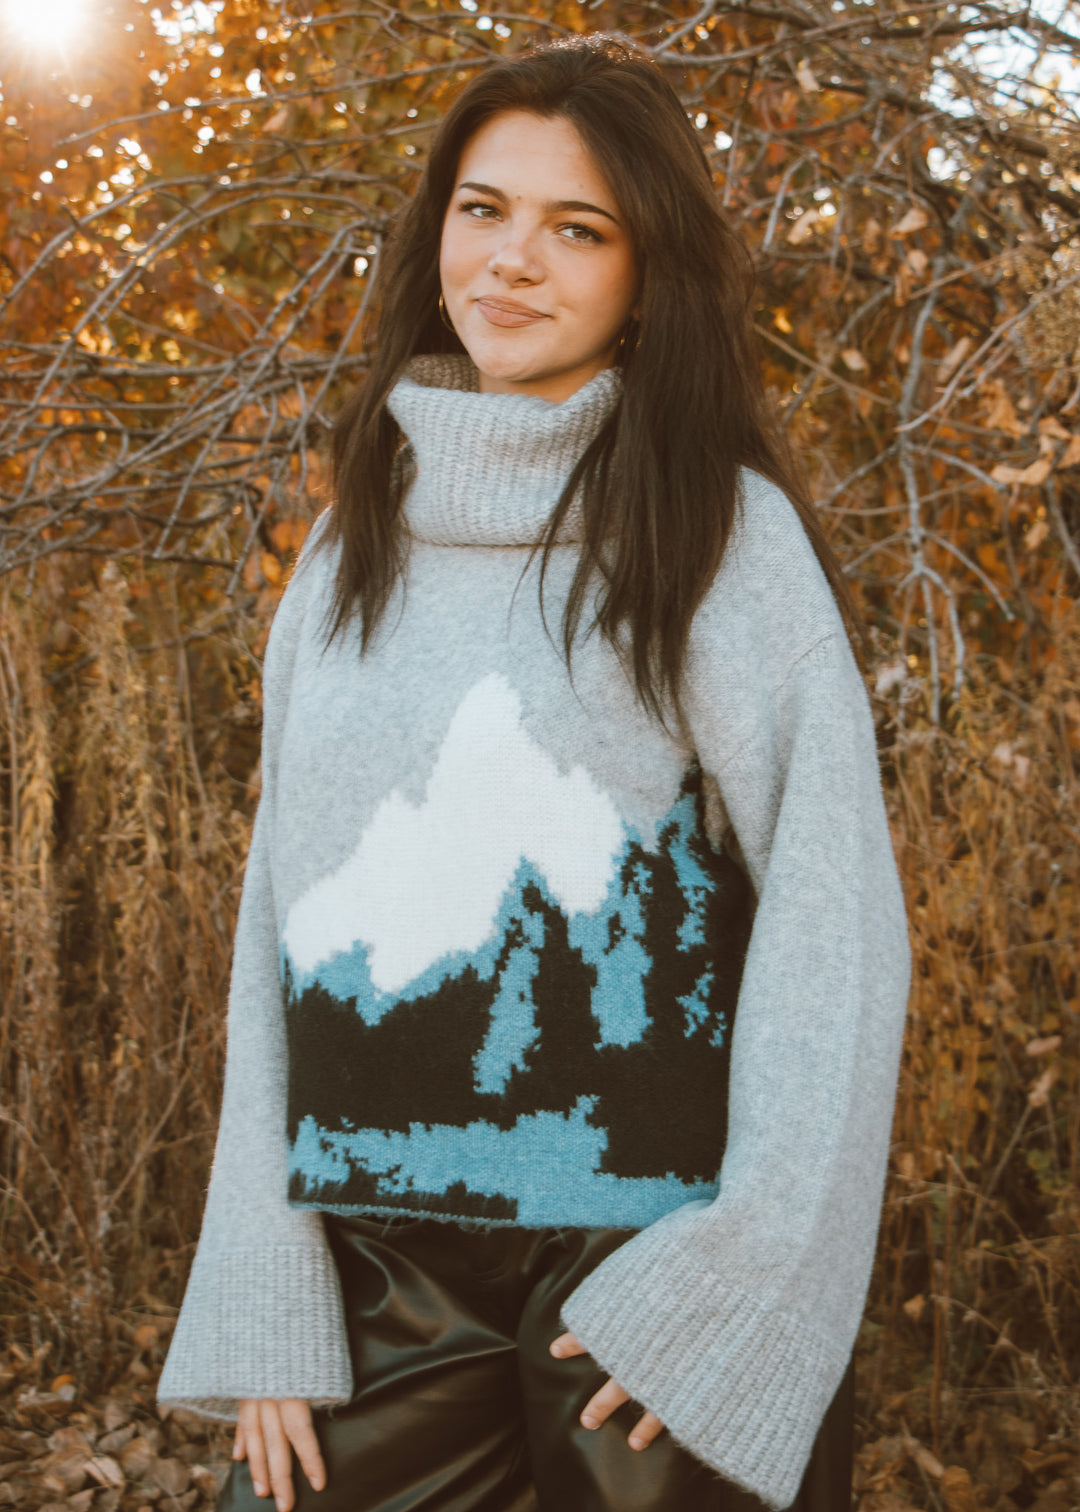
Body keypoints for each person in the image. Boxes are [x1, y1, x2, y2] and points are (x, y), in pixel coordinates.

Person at [157, 33, 911, 1512]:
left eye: (579, 228)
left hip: (641, 1266)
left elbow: (838, 925)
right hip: (379, 1271)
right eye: (483, 209)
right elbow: (278, 915)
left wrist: (743, 1275)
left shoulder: (716, 538)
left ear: (651, 274)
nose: (512, 261)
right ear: (434, 222)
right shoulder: (347, 543)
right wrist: (266, 1282)